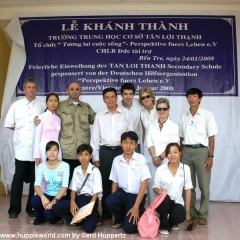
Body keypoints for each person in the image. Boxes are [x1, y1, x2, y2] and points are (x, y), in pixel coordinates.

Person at [35, 82, 96, 194]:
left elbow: (97, 121)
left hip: (84, 153)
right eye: (72, 89)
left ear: (80, 91)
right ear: (67, 91)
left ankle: (85, 207)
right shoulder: (60, 106)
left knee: (86, 183)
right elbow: (49, 116)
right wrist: (37, 119)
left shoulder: (87, 107)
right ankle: (66, 207)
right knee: (66, 184)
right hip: (67, 152)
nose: (74, 91)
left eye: (77, 89)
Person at [90, 87, 133, 224]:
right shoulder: (99, 115)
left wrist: (130, 152)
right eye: (107, 97)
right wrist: (96, 157)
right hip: (106, 152)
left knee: (123, 182)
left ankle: (121, 213)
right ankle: (107, 213)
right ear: (103, 100)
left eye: (112, 97)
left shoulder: (125, 113)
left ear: (117, 98)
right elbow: (95, 138)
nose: (110, 99)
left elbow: (130, 135)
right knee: (106, 182)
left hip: (122, 151)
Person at [4, 77, 46, 218]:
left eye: (33, 87)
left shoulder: (41, 106)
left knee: (35, 180)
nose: (31, 90)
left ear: (36, 89)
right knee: (18, 180)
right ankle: (14, 209)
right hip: (21, 150)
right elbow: (9, 124)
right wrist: (21, 132)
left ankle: (31, 208)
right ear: (24, 89)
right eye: (28, 87)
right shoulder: (16, 105)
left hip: (36, 151)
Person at [179, 88, 218, 226]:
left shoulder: (207, 115)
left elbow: (211, 137)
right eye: (189, 96)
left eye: (194, 96)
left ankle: (203, 214)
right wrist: (180, 153)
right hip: (186, 151)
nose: (191, 98)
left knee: (204, 185)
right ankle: (191, 212)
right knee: (188, 185)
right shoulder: (184, 116)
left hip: (202, 152)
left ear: (200, 98)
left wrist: (211, 156)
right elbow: (181, 137)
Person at [105, 131, 151, 234]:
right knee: (109, 200)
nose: (128, 146)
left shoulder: (141, 159)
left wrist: (135, 207)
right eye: (125, 142)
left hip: (136, 196)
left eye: (131, 143)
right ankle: (120, 217)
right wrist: (113, 201)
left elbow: (144, 183)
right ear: (121, 144)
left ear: (136, 145)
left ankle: (139, 211)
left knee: (129, 229)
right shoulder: (116, 160)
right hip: (123, 194)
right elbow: (115, 182)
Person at [52, 144, 102, 233]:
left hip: (90, 201)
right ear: (77, 156)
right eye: (80, 155)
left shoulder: (95, 171)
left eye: (86, 155)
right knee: (56, 208)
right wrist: (72, 202)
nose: (83, 157)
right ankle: (78, 218)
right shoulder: (76, 170)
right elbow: (73, 190)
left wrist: (86, 211)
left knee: (89, 229)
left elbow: (96, 194)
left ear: (91, 156)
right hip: (79, 199)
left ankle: (89, 217)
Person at [153, 143, 192, 235]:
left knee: (180, 217)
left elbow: (188, 189)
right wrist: (159, 190)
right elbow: (155, 186)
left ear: (180, 153)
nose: (173, 155)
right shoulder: (161, 169)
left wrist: (187, 211)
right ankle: (164, 225)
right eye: (170, 153)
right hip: (163, 202)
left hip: (177, 202)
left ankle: (172, 222)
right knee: (166, 198)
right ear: (166, 155)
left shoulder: (185, 168)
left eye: (175, 152)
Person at [146, 98, 179, 204]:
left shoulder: (173, 126)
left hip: (166, 161)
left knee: (166, 187)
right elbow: (149, 143)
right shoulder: (151, 125)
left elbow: (171, 145)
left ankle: (166, 215)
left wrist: (160, 158)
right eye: (159, 109)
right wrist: (154, 157)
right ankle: (152, 214)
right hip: (153, 161)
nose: (162, 111)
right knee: (152, 187)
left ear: (168, 109)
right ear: (156, 110)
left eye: (164, 109)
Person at [30, 141, 69, 225]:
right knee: (35, 200)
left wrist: (53, 202)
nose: (52, 153)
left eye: (55, 150)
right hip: (47, 195)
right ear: (46, 152)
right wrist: (43, 197)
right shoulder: (41, 166)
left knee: (50, 216)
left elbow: (64, 187)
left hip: (60, 197)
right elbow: (36, 186)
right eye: (49, 150)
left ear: (58, 152)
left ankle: (56, 217)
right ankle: (40, 218)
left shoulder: (65, 166)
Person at [34, 93, 62, 191]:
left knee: (57, 174)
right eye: (50, 100)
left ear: (58, 103)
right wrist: (37, 155)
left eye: (55, 101)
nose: (53, 103)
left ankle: (55, 199)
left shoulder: (59, 118)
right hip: (43, 149)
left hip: (56, 148)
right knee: (42, 174)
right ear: (46, 103)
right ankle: (40, 200)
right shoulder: (41, 117)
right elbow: (37, 137)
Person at [118, 83, 144, 153]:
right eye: (126, 94)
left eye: (130, 94)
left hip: (136, 143)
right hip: (122, 145)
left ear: (133, 95)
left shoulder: (139, 103)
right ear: (121, 95)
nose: (128, 97)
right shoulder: (117, 106)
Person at [139, 87, 158, 161]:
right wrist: (144, 147)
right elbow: (144, 132)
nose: (146, 99)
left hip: (159, 146)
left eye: (147, 96)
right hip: (147, 147)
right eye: (143, 98)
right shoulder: (142, 113)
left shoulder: (160, 109)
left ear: (152, 97)